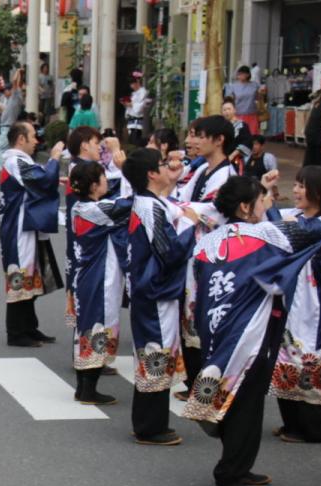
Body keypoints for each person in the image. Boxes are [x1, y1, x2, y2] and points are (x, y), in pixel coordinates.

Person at [182, 175, 321, 486]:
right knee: (246, 403)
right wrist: (282, 216)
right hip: (249, 333)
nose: (268, 203)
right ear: (245, 207)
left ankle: (239, 465)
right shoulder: (266, 234)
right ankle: (228, 476)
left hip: (215, 328)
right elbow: (320, 230)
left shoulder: (207, 242)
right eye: (262, 199)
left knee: (236, 396)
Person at [123, 147, 199, 445]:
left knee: (154, 351)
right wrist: (190, 224)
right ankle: (150, 426)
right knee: (157, 350)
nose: (169, 167)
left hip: (150, 289)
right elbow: (170, 252)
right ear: (152, 174)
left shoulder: (149, 202)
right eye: (163, 164)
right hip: (154, 291)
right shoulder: (150, 207)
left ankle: (148, 422)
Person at [269, 166, 321, 444]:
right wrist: (266, 190)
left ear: (318, 193)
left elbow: (282, 229)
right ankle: (293, 424)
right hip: (289, 300)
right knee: (284, 359)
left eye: (301, 186)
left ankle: (318, 430)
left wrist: (273, 209)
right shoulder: (295, 216)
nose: (296, 191)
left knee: (307, 360)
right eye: (296, 185)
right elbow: (269, 220)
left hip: (312, 306)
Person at [172, 115, 238, 393]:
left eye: (199, 135)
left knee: (205, 315)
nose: (192, 141)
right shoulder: (201, 170)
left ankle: (205, 382)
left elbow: (211, 211)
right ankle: (193, 379)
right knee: (189, 315)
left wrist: (181, 209)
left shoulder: (228, 175)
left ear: (219, 140)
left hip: (213, 256)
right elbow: (181, 199)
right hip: (194, 252)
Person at [68, 160, 132, 405]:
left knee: (85, 329)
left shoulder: (78, 207)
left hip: (86, 275)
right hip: (100, 277)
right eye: (103, 178)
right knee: (99, 327)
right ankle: (89, 390)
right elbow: (130, 203)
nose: (107, 182)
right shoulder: (99, 210)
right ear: (94, 185)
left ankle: (82, 388)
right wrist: (127, 169)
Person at [0, 121, 66, 347]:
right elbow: (43, 181)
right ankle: (16, 332)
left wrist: (51, 172)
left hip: (26, 226)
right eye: (33, 136)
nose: (37, 141)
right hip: (17, 228)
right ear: (21, 139)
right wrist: (54, 158)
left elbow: (40, 178)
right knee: (20, 275)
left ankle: (29, 326)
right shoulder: (15, 161)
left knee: (31, 273)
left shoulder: (20, 161)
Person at [223, 66, 260, 135]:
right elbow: (229, 100)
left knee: (252, 135)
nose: (239, 76)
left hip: (252, 114)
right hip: (238, 114)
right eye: (238, 74)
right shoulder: (233, 86)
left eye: (241, 74)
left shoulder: (255, 85)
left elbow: (258, 98)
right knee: (238, 134)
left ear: (248, 74)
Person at [124, 74, 148, 145]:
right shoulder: (134, 93)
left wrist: (131, 104)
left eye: (132, 83)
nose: (131, 86)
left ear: (137, 82)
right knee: (132, 139)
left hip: (137, 119)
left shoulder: (143, 92)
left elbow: (141, 105)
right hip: (131, 118)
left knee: (135, 139)